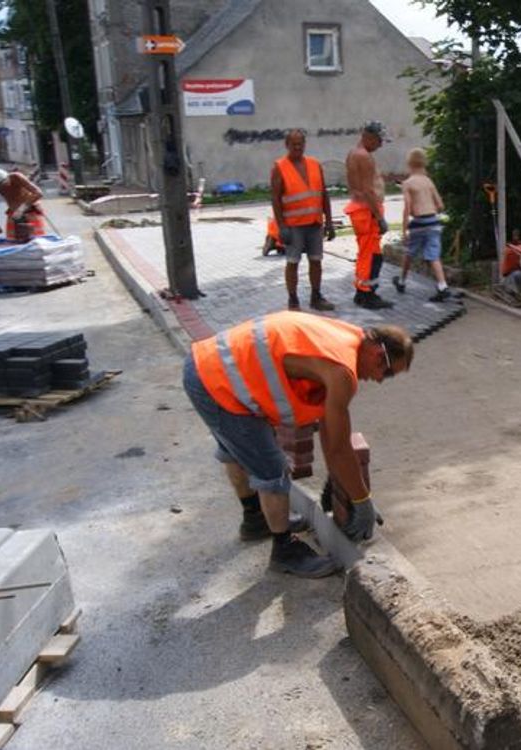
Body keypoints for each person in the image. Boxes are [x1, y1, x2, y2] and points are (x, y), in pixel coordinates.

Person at [182, 311, 413, 578]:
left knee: (237, 451)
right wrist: (362, 501)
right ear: (377, 353)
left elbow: (331, 439)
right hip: (217, 383)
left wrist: (346, 487)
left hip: (206, 366)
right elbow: (338, 448)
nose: (379, 380)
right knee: (272, 470)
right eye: (386, 373)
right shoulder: (342, 372)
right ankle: (284, 552)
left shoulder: (345, 336)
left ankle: (256, 520)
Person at [270, 130, 336, 311]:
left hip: (314, 223)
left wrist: (329, 222)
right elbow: (275, 199)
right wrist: (281, 226)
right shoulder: (279, 167)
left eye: (301, 144)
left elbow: (324, 194)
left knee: (316, 260)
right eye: (294, 144)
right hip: (293, 226)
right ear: (287, 145)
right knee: (293, 262)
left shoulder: (315, 164)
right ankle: (293, 299)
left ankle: (316, 296)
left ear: (305, 144)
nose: (298, 147)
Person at [394, 148, 451, 302]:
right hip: (433, 222)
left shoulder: (408, 183)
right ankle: (442, 285)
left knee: (409, 253)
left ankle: (402, 281)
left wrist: (404, 229)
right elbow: (440, 205)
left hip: (419, 223)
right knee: (434, 255)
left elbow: (407, 207)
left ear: (409, 164)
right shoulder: (428, 181)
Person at [346, 121, 393, 309]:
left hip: (361, 209)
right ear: (370, 137)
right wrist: (379, 218)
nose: (381, 145)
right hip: (367, 212)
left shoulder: (354, 153)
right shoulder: (364, 156)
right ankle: (366, 295)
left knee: (369, 254)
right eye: (379, 141)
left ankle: (363, 292)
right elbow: (367, 190)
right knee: (371, 256)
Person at [0, 169, 46, 241]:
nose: (2, 186)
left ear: (7, 177)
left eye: (3, 183)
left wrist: (22, 208)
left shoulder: (17, 177)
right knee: (12, 240)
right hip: (14, 213)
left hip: (30, 209)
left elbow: (38, 193)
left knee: (37, 239)